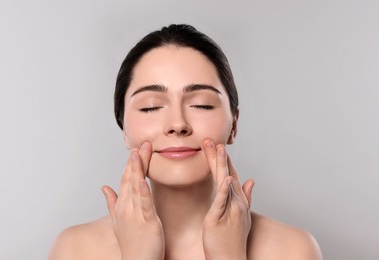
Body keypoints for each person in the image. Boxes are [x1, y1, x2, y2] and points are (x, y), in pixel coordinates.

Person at [49, 24, 322, 260]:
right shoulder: (75, 250)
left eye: (202, 105)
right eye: (150, 107)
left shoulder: (292, 249)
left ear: (234, 124)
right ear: (124, 129)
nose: (177, 124)